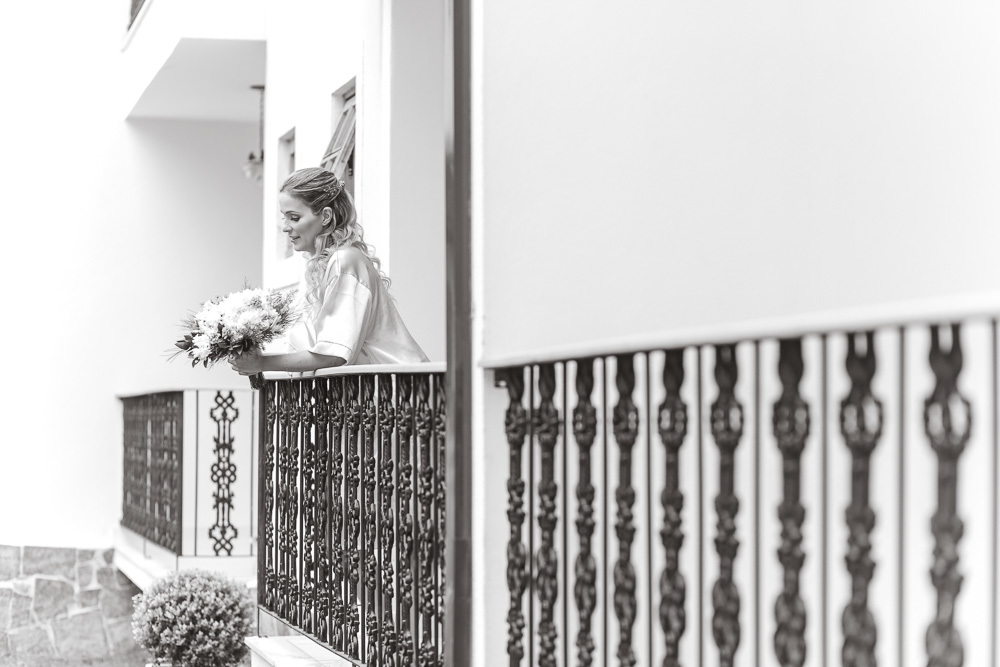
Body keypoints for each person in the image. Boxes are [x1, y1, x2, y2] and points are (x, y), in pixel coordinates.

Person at [232, 167, 428, 376]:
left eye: (294, 217)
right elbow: (313, 347)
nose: (286, 227)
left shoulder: (345, 260)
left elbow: (334, 353)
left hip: (401, 386)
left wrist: (262, 363)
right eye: (284, 217)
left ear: (325, 216)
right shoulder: (321, 266)